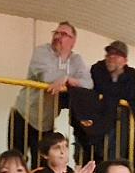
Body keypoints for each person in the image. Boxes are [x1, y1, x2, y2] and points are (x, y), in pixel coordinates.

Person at [9, 22, 90, 154]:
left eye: (63, 34)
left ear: (73, 41)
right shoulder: (42, 51)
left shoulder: (76, 60)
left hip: (46, 122)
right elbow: (46, 76)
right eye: (56, 33)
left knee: (43, 162)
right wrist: (68, 78)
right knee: (15, 158)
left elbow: (88, 84)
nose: (57, 36)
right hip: (23, 114)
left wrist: (67, 79)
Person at [86, 40, 135, 165]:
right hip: (101, 119)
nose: (111, 57)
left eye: (116, 55)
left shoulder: (130, 73)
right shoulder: (98, 68)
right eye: (109, 54)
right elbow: (103, 88)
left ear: (125, 61)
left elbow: (131, 94)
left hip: (121, 123)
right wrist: (118, 82)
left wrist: (118, 77)